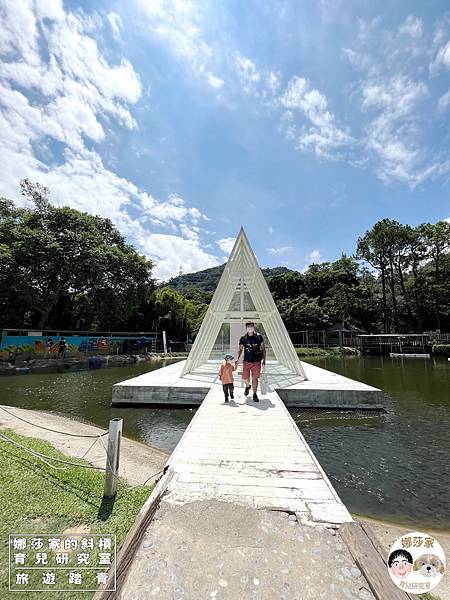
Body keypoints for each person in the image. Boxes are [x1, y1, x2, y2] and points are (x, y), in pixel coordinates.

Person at [237, 321, 266, 402]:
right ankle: (248, 386)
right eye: (248, 326)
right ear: (246, 328)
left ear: (253, 327)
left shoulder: (259, 337)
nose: (250, 328)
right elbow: (240, 349)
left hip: (256, 362)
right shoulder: (243, 338)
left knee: (255, 378)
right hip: (246, 362)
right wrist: (237, 358)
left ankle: (254, 394)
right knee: (245, 377)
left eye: (251, 326)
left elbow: (263, 349)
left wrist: (264, 360)